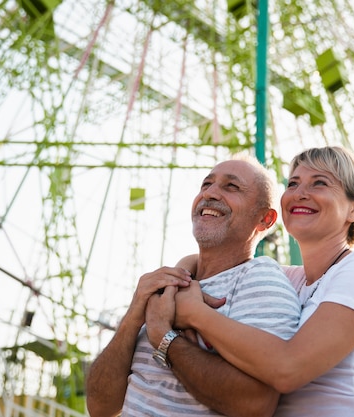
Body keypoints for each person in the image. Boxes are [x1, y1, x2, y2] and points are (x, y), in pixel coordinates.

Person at [149, 146, 354, 416]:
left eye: (319, 183)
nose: (300, 193)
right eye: (293, 183)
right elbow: (211, 262)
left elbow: (288, 370)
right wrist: (183, 273)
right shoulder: (288, 280)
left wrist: (194, 314)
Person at [85, 155, 301, 417]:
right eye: (206, 184)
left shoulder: (260, 281)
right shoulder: (163, 287)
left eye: (231, 187)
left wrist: (164, 338)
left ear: (265, 220)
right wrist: (133, 316)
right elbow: (100, 407)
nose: (210, 193)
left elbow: (255, 404)